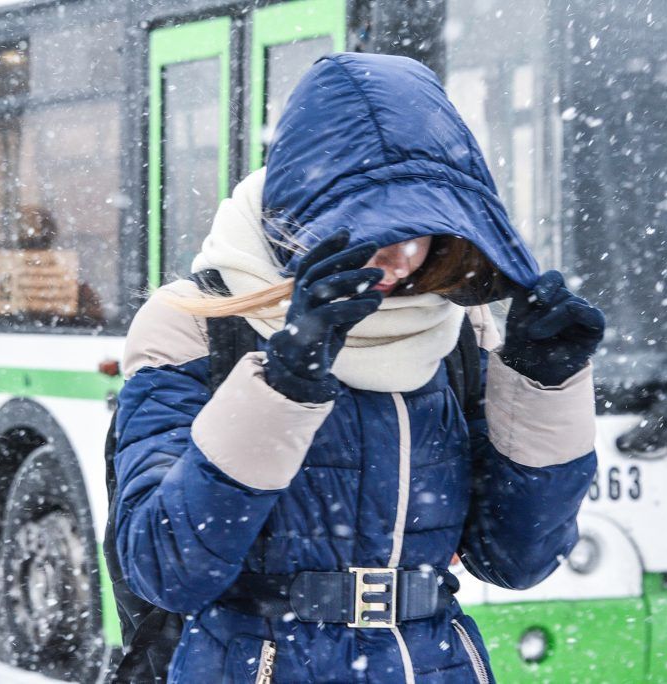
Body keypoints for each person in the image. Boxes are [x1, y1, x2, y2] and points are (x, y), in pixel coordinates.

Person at [113, 53, 604, 683]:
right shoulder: (196, 321)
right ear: (312, 211)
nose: (402, 256)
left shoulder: (457, 327)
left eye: (424, 227)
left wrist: (544, 385)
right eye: (381, 223)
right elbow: (165, 569)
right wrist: (283, 386)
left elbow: (516, 559)